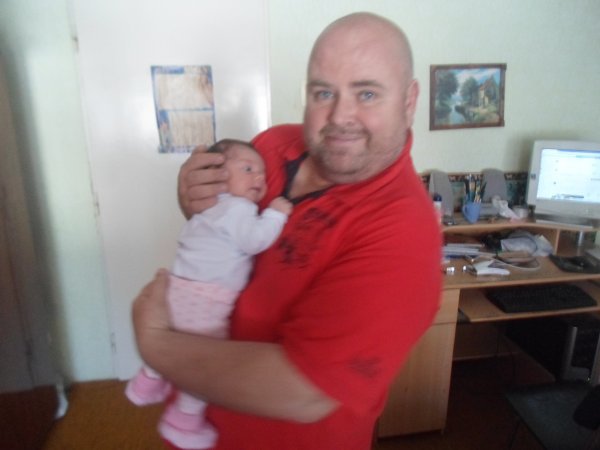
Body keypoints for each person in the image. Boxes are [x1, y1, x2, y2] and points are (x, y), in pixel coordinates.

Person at [132, 12, 442, 450]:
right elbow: (225, 226)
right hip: (194, 425)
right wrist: (193, 200)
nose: (340, 116)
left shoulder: (404, 233)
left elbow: (302, 391)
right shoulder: (273, 145)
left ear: (409, 100)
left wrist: (155, 344)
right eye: (323, 93)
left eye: (367, 93)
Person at [126, 139, 292, 449]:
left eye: (261, 173)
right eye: (247, 169)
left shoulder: (210, 209)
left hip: (180, 287)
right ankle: (184, 418)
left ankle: (146, 383)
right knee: (202, 361)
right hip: (207, 298)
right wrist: (276, 215)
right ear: (216, 174)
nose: (259, 178)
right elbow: (254, 241)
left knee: (177, 337)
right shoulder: (238, 208)